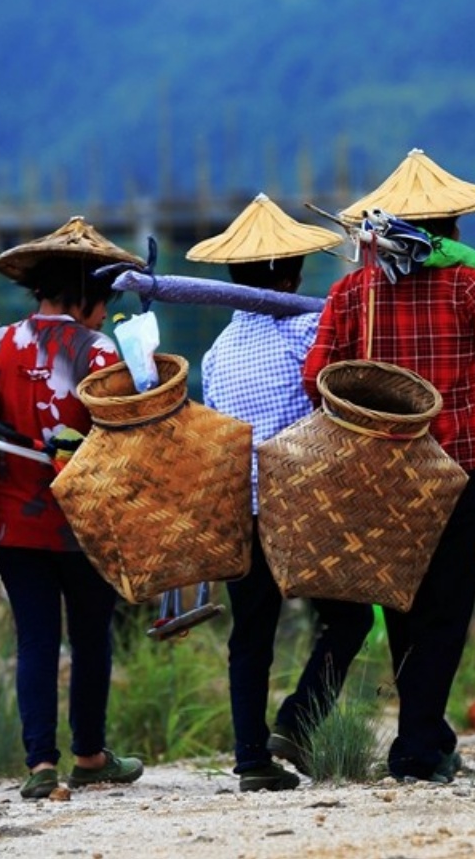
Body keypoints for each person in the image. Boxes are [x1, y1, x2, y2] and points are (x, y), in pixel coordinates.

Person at [303, 150, 475, 783]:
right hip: (457, 466)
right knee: (446, 608)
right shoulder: (465, 286)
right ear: (452, 229)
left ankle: (428, 736)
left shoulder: (351, 292)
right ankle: (415, 747)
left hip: (381, 469)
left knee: (404, 603)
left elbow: (315, 379)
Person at [188, 195, 376, 792]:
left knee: (251, 635)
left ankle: (251, 758)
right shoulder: (307, 330)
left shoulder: (217, 352)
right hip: (302, 504)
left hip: (244, 505)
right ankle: (298, 720)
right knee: (348, 620)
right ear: (292, 277)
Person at [0, 217, 146, 800]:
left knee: (36, 641)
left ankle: (41, 765)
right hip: (85, 518)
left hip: (12, 519)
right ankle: (90, 755)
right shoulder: (99, 352)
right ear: (84, 296)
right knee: (92, 636)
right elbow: (126, 430)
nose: (103, 314)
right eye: (103, 302)